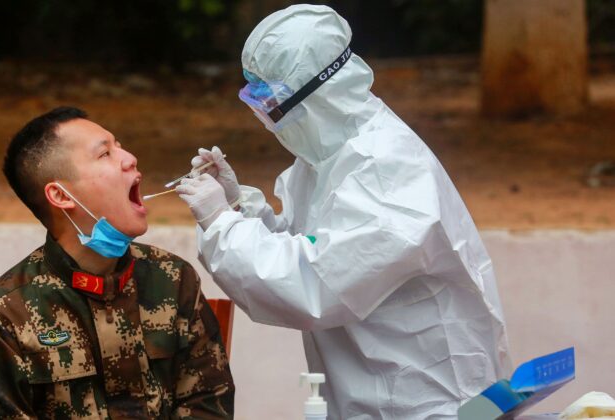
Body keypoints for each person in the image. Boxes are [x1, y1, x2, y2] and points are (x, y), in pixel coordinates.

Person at [176, 4, 510, 419]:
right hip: (368, 396)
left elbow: (309, 286)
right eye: (256, 102)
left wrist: (221, 224)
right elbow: (306, 245)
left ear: (320, 95)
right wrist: (240, 209)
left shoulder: (386, 173)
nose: (267, 120)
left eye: (274, 106)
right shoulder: (327, 159)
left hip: (427, 403)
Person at [0, 107, 235, 419]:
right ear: (61, 196)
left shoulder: (172, 279)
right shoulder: (3, 317)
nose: (129, 158)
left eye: (119, 145)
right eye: (105, 154)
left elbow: (209, 404)